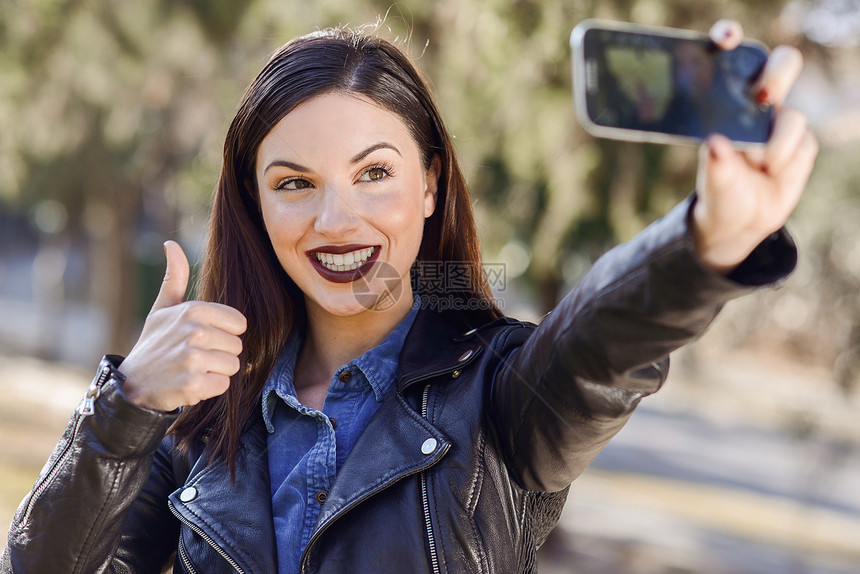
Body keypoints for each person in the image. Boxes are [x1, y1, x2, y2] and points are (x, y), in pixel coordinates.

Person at [3, 18, 816, 574]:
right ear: (254, 204)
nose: (336, 219)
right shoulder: (198, 418)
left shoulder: (502, 393)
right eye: (295, 183)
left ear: (431, 184)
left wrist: (707, 240)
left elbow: (605, 343)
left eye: (374, 173)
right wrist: (129, 405)